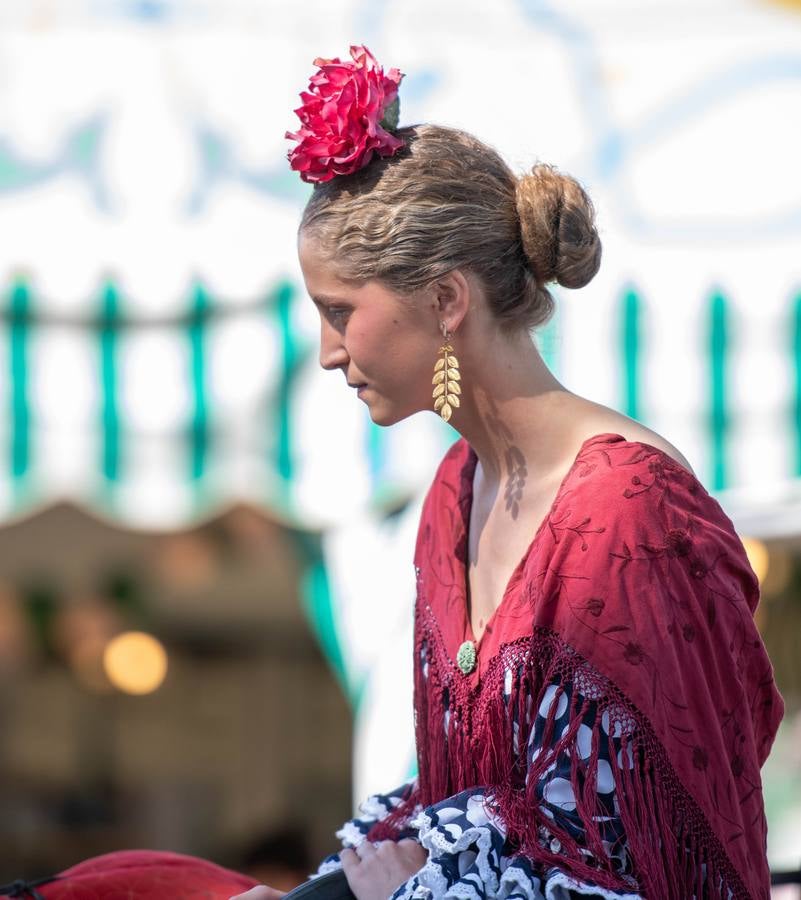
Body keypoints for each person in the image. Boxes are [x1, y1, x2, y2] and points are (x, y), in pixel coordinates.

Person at [232, 45, 784, 900]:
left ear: (446, 300)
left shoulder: (631, 509)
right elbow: (456, 807)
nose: (328, 351)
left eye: (340, 311)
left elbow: (657, 865)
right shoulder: (452, 492)